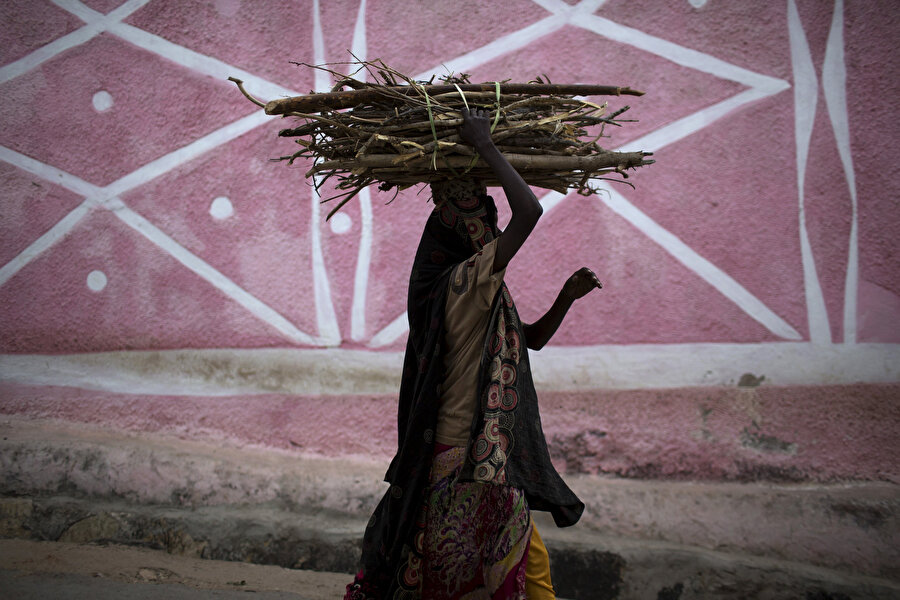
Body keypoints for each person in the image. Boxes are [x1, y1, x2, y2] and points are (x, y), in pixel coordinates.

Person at [346, 108, 603, 599]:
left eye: (489, 214)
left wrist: (566, 298)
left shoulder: (482, 288)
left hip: (480, 450)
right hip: (468, 452)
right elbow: (529, 212)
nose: (488, 223)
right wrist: (484, 144)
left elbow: (532, 338)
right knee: (500, 565)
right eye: (477, 217)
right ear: (454, 231)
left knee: (470, 564)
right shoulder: (463, 283)